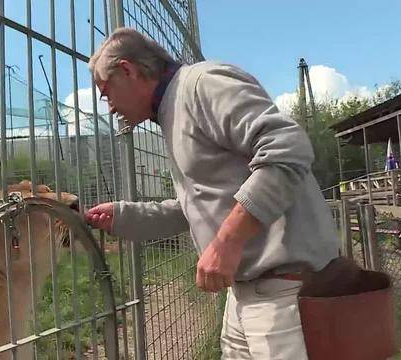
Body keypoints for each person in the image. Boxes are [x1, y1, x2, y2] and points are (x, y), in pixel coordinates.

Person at [84, 27, 339, 359]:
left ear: (128, 70)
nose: (110, 107)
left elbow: (287, 149)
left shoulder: (203, 84)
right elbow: (197, 206)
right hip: (246, 292)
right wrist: (124, 216)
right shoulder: (171, 113)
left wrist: (227, 242)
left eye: (106, 92)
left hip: (283, 292)